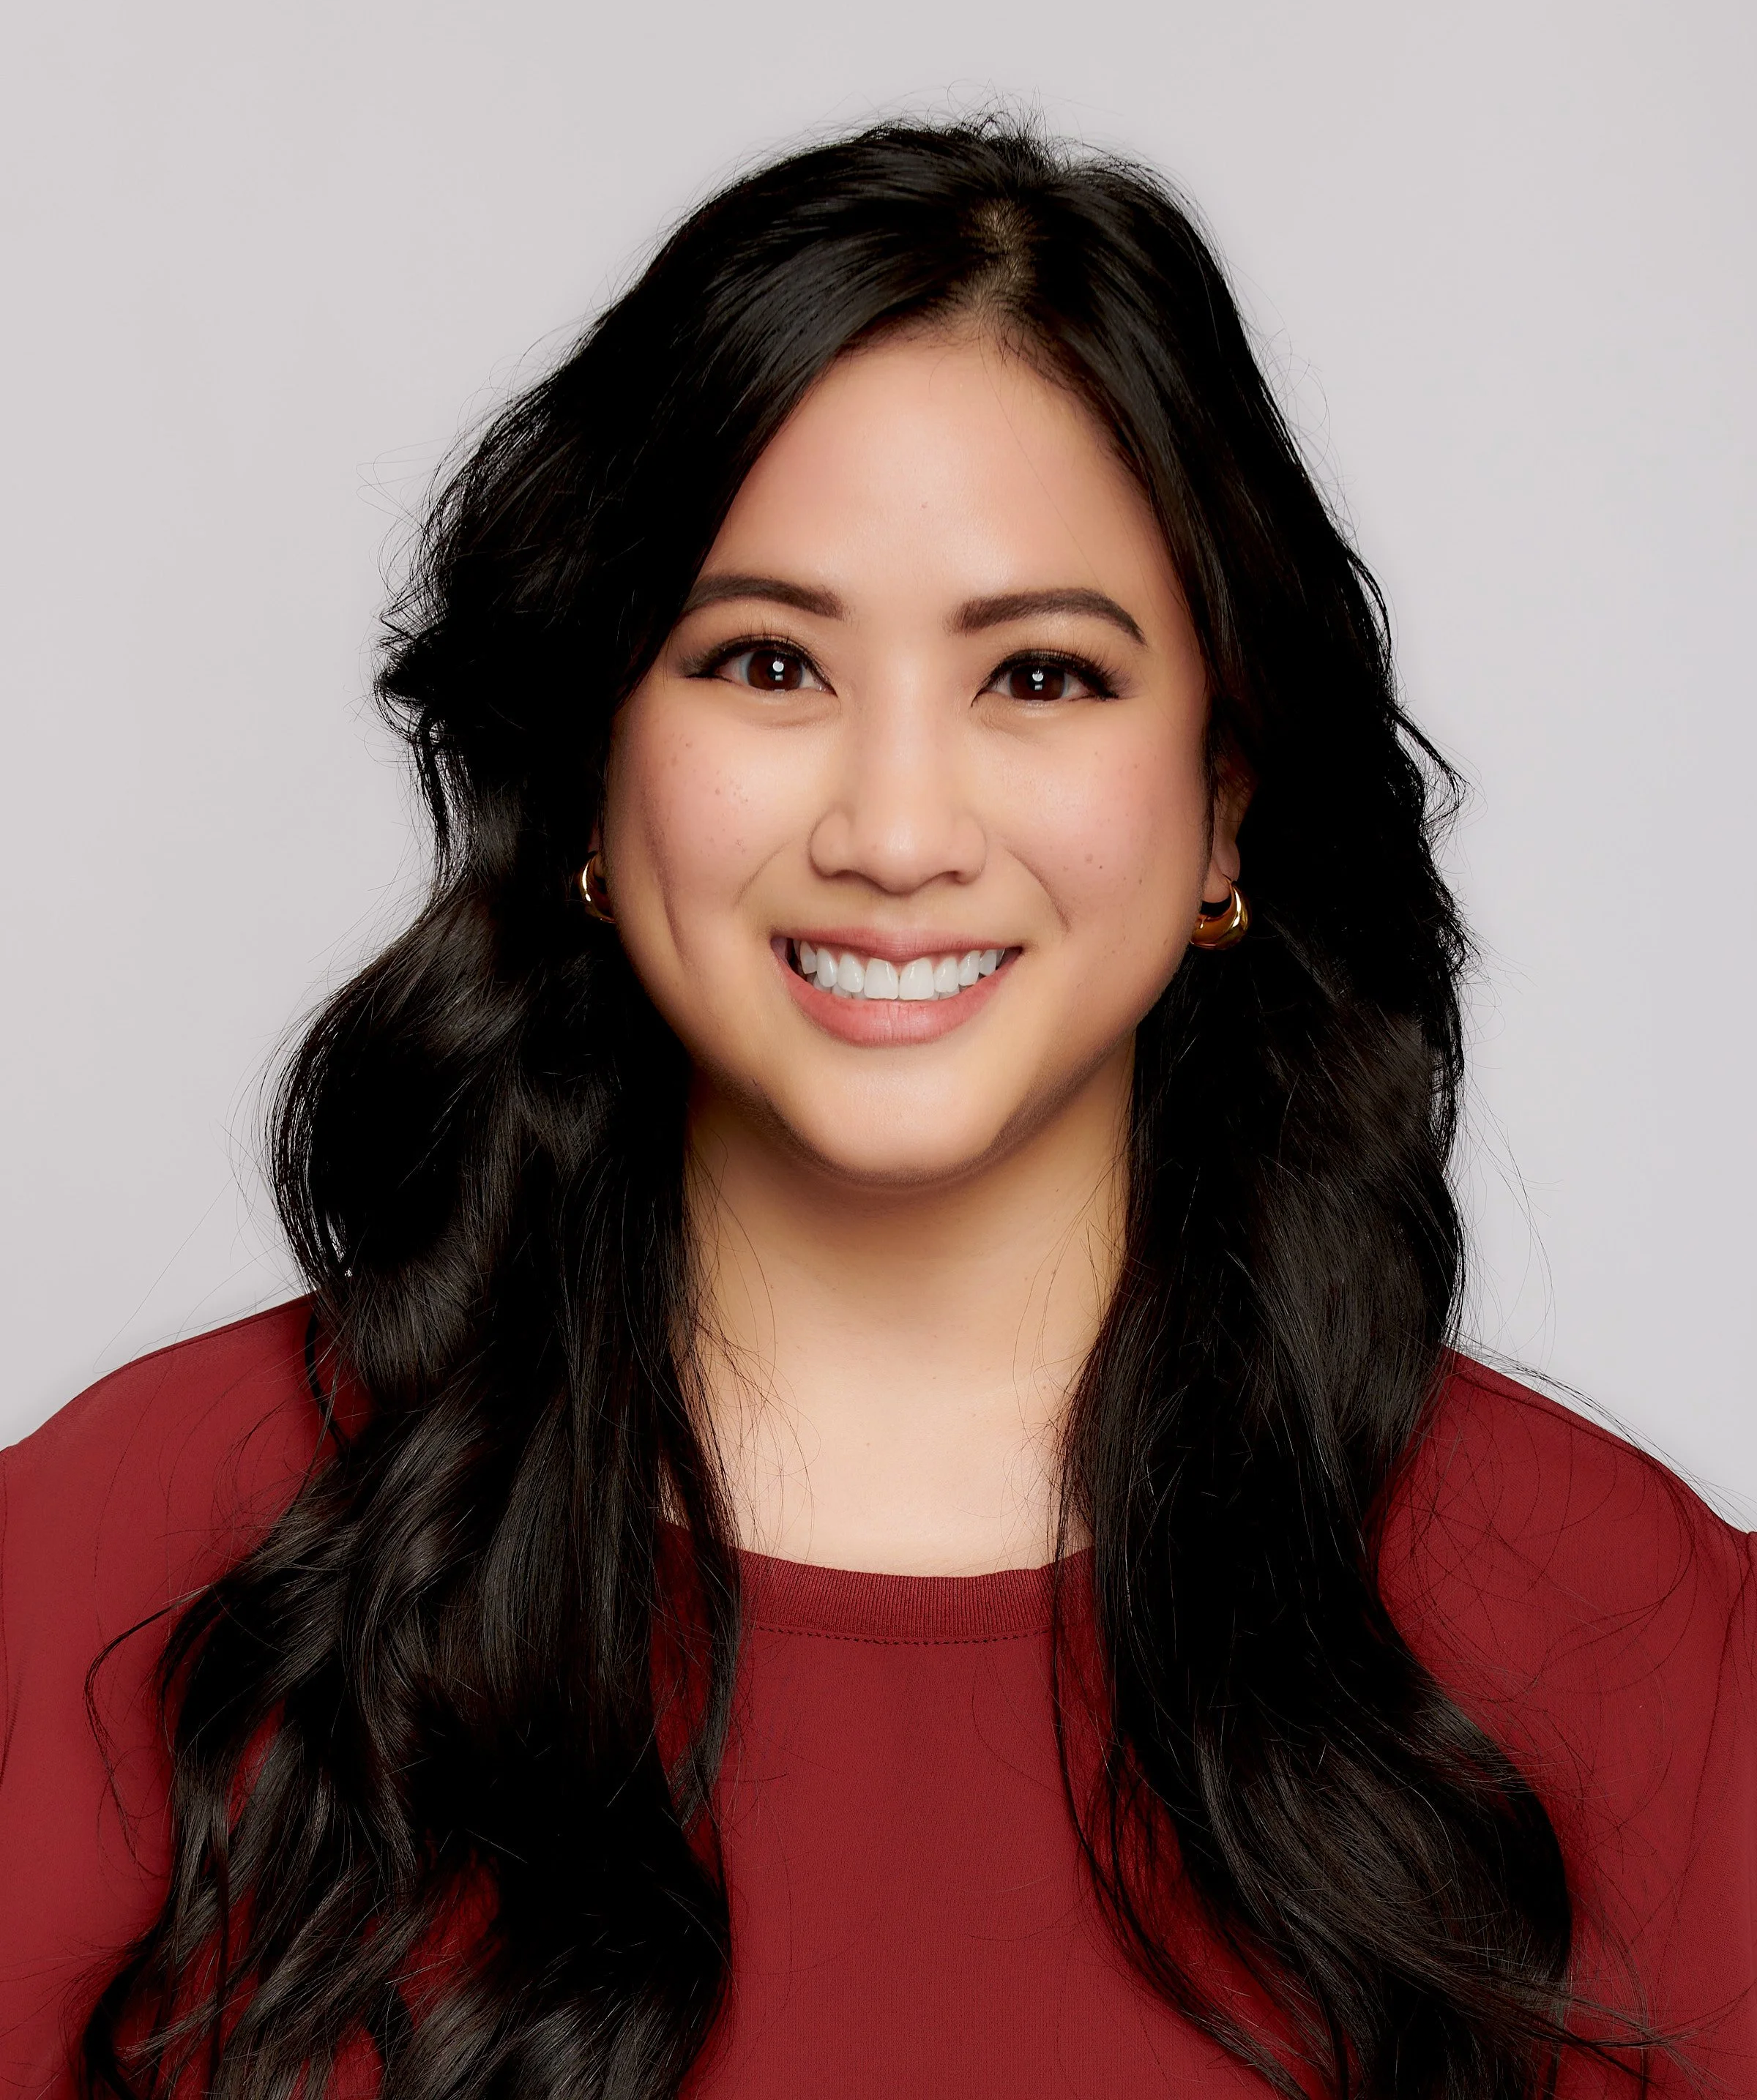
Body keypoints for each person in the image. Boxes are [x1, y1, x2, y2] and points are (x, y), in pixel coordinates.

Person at [0, 119, 1750, 2100]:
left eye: (1043, 679)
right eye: (768, 662)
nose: (897, 831)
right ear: (594, 769)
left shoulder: (1637, 1638)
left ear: (1225, 801)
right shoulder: (107, 1569)